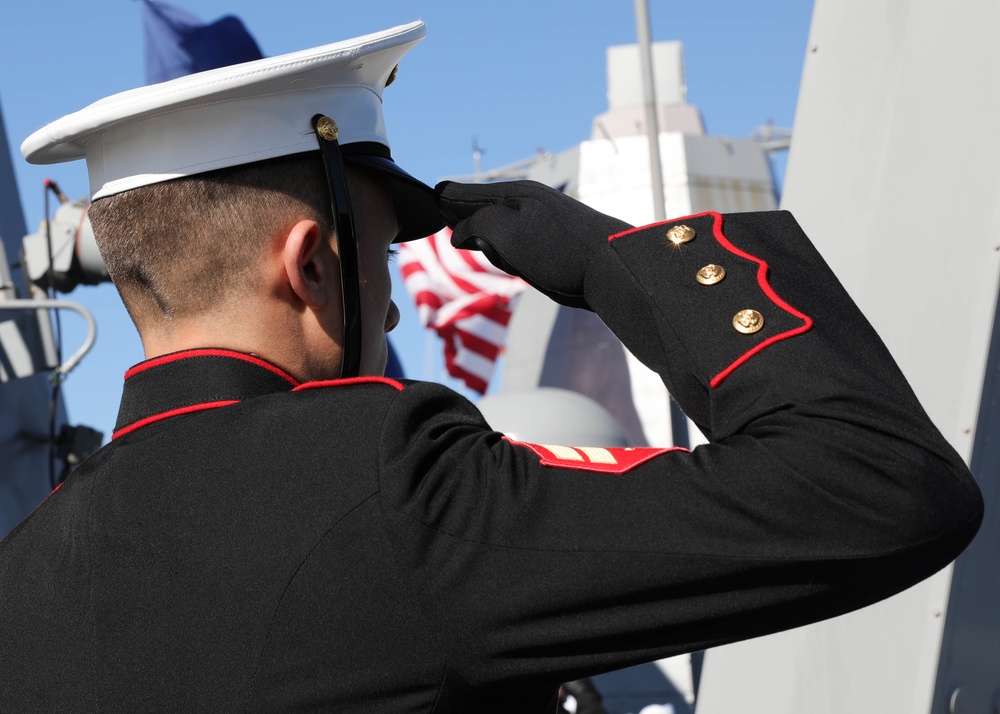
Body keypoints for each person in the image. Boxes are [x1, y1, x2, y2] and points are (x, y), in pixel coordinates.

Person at [0, 20, 983, 714]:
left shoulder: (24, 574)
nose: (386, 297)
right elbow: (877, 484)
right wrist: (617, 264)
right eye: (377, 259)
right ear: (310, 266)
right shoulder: (389, 486)